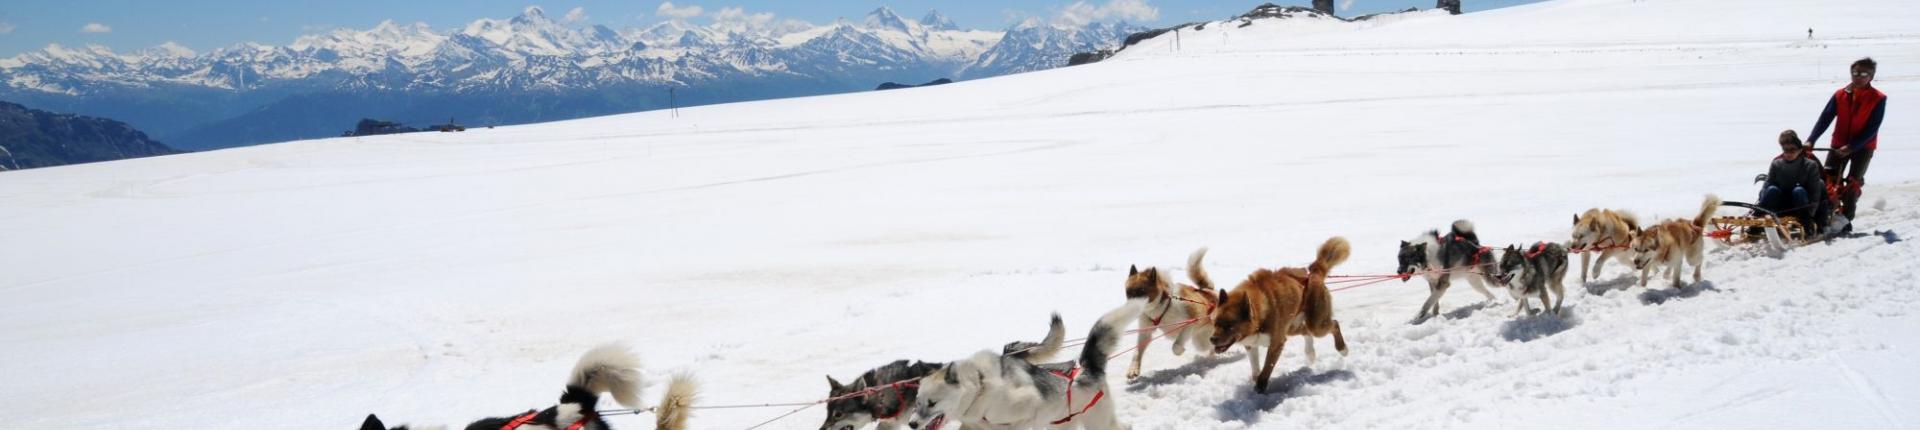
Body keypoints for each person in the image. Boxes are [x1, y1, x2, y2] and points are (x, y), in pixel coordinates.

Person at [1806, 57, 1886, 233]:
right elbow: (1825, 118)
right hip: (1838, 144)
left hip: (1863, 147)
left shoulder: (1878, 98)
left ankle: (1846, 219)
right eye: (1855, 73)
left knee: (1853, 183)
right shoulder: (1840, 94)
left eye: (1863, 74)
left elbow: (1873, 128)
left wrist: (1852, 146)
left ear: (1871, 76)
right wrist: (1812, 139)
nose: (1858, 77)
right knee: (1827, 179)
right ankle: (1824, 214)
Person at [1759, 130, 1825, 227]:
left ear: (1800, 150)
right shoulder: (1776, 163)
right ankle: (1760, 216)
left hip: (1801, 202)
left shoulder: (1810, 164)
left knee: (1799, 190)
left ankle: (1806, 221)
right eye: (1786, 150)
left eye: (1792, 150)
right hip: (1782, 201)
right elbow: (1767, 184)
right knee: (1771, 189)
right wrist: (1762, 200)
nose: (1789, 154)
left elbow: (1815, 191)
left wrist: (1813, 213)